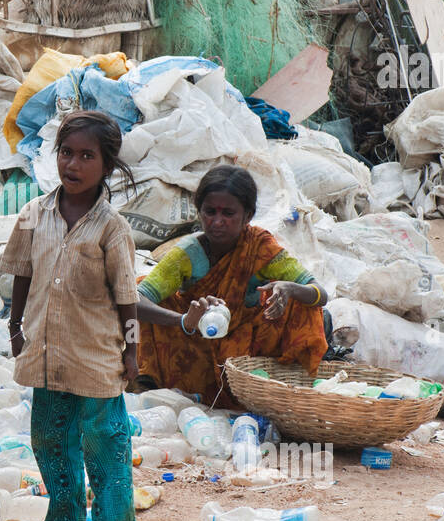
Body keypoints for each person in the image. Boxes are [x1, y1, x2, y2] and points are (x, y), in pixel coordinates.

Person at [0, 111, 139, 521]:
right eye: (65, 153)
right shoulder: (33, 215)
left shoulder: (112, 228)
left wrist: (133, 351)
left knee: (104, 444)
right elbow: (21, 273)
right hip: (46, 352)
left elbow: (127, 298)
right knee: (50, 441)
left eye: (86, 156)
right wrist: (15, 325)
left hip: (95, 357)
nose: (72, 165)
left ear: (107, 165)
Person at [134, 165, 329, 408]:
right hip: (198, 344)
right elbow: (134, 300)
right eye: (210, 212)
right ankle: (155, 383)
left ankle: (284, 388)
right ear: (199, 212)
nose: (217, 222)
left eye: (228, 213)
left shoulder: (260, 247)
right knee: (146, 291)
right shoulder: (187, 254)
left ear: (247, 215)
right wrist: (184, 320)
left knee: (305, 303)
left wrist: (289, 288)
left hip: (246, 353)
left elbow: (320, 292)